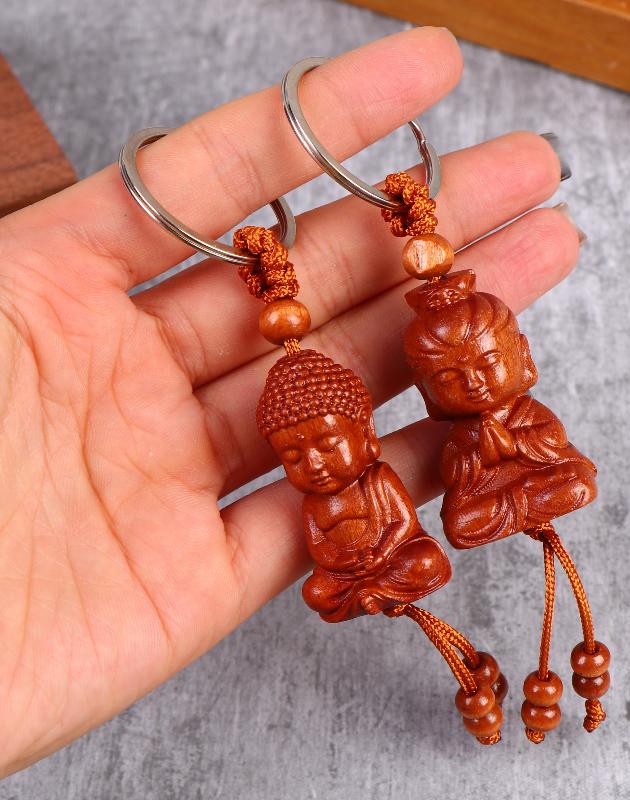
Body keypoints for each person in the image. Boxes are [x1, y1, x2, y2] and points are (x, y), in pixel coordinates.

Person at [0, 27, 581, 775]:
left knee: (452, 543)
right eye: (295, 455)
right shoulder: (352, 485)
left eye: (487, 368)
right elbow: (381, 534)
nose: (314, 464)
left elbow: (429, 517)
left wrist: (507, 478)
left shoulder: (478, 436)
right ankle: (472, 668)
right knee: (375, 570)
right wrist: (354, 551)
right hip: (375, 569)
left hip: (423, 546)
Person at [404, 269, 596, 549]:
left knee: (578, 483)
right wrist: (476, 456)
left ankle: (529, 504)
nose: (473, 383)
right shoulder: (460, 437)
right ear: (426, 393)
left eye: (488, 364)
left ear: (522, 355)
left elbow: (553, 436)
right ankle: (526, 506)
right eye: (448, 378)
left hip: (541, 482)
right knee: (458, 527)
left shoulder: (527, 411)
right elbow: (455, 471)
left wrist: (514, 442)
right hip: (494, 500)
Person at [259, 349, 451, 622]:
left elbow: (405, 521)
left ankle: (378, 592)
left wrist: (382, 552)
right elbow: (319, 545)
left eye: (328, 446)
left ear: (365, 430)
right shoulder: (312, 503)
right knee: (315, 593)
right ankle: (375, 593)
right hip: (346, 574)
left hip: (393, 553)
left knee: (427, 559)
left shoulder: (378, 477)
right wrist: (341, 562)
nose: (313, 464)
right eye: (293, 458)